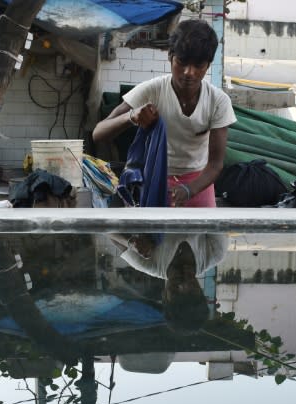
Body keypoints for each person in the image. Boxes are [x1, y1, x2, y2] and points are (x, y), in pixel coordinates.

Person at [92, 19, 237, 207]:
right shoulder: (152, 91)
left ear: (208, 65)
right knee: (151, 236)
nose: (189, 72)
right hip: (154, 182)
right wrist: (131, 116)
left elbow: (215, 165)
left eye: (198, 65)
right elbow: (98, 133)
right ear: (170, 57)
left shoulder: (218, 101)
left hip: (199, 184)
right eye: (182, 62)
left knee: (205, 236)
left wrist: (189, 190)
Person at [109, 233, 229, 332]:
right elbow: (218, 212)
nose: (183, 285)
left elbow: (107, 231)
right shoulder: (215, 253)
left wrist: (130, 242)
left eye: (176, 293)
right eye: (191, 291)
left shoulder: (147, 262)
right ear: (201, 292)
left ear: (164, 296)